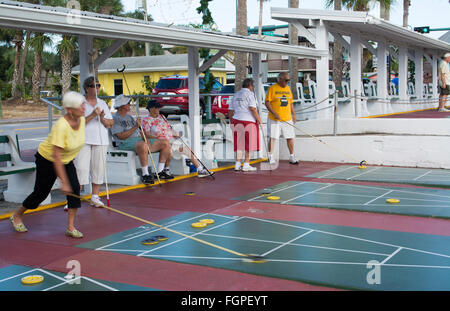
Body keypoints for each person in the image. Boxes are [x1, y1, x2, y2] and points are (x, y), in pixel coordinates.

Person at [10, 92, 86, 238]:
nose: (84, 107)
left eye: (83, 104)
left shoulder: (81, 119)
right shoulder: (61, 127)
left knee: (75, 189)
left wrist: (97, 115)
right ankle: (17, 215)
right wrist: (63, 182)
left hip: (67, 160)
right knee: (41, 193)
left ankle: (70, 227)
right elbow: (56, 157)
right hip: (48, 159)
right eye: (80, 105)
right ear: (69, 110)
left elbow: (83, 124)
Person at [110, 94, 172, 183]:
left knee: (165, 143)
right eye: (128, 103)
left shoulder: (129, 117)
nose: (130, 105)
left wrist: (145, 137)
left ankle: (159, 171)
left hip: (138, 141)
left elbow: (139, 132)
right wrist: (135, 126)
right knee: (143, 145)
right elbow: (120, 136)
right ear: (122, 106)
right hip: (124, 143)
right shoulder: (116, 118)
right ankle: (145, 174)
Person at [143, 100, 212, 178]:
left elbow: (169, 129)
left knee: (188, 149)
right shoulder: (146, 120)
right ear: (151, 108)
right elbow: (147, 135)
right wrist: (159, 137)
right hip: (159, 143)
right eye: (157, 107)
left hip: (171, 141)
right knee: (172, 149)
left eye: (159, 107)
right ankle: (165, 170)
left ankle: (200, 169)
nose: (159, 109)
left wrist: (176, 133)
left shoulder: (162, 117)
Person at [74, 77, 114, 207]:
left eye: (98, 85)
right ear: (86, 88)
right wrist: (92, 115)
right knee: (80, 168)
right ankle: (74, 198)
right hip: (83, 140)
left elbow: (110, 123)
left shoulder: (102, 103)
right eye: (93, 86)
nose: (97, 88)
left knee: (98, 169)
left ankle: (95, 196)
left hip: (100, 140)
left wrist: (102, 118)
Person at [228, 78, 262, 172]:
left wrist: (231, 122)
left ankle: (237, 164)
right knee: (250, 144)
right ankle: (246, 164)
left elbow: (230, 110)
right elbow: (253, 109)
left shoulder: (236, 95)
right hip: (248, 121)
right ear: (250, 86)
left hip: (236, 120)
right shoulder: (251, 94)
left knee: (239, 144)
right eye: (253, 86)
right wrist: (259, 120)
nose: (253, 88)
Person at [265, 72, 299, 165]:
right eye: (286, 80)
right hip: (274, 119)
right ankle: (270, 156)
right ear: (279, 79)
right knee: (273, 137)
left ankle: (292, 156)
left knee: (290, 137)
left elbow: (290, 103)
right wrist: (274, 113)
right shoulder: (272, 88)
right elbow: (267, 102)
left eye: (288, 80)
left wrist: (294, 115)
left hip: (287, 118)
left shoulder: (288, 88)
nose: (287, 82)